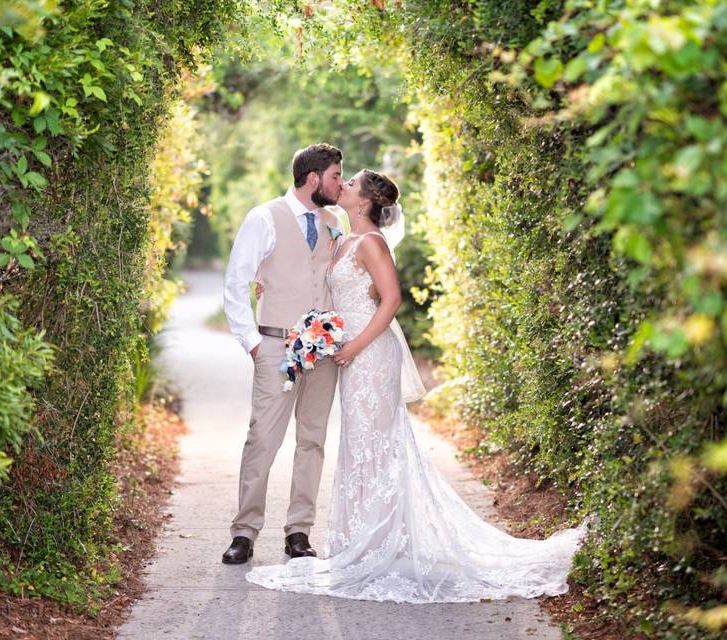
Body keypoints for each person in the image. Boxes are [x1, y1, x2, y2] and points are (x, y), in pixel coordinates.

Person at [244, 169, 590, 603]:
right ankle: (364, 539)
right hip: (351, 354)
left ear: (366, 201)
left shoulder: (371, 243)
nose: (344, 186)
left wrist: (353, 347)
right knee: (361, 443)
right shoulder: (342, 238)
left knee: (377, 442)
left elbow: (391, 301)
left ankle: (382, 542)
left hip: (371, 355)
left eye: (351, 184)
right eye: (343, 180)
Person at [220, 143, 345, 564]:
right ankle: (245, 531)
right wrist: (253, 343)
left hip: (323, 350)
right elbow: (237, 282)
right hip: (275, 345)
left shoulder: (336, 221)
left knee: (312, 440)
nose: (340, 184)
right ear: (313, 179)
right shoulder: (264, 217)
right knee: (263, 439)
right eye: (334, 177)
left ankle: (299, 532)